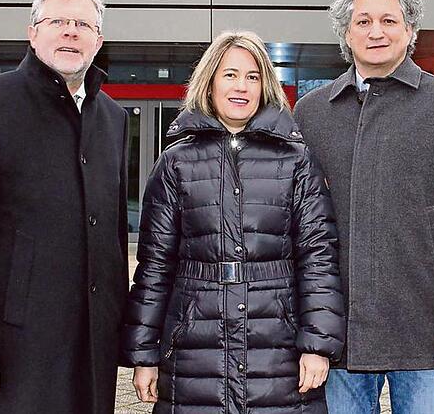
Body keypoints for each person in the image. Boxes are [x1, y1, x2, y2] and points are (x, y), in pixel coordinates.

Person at [293, 0, 434, 413]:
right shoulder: (312, 112)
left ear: (410, 31)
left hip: (428, 334)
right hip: (339, 336)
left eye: (389, 21)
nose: (376, 32)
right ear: (346, 34)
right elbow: (296, 222)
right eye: (363, 21)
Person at [0, 0, 128, 413]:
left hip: (91, 347)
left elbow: (112, 235)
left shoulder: (112, 117)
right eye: (57, 20)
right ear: (32, 31)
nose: (70, 31)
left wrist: (124, 332)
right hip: (11, 348)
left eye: (83, 24)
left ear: (99, 40)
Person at [121, 31, 345, 413]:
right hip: (194, 347)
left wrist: (317, 346)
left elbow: (318, 258)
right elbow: (155, 265)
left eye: (252, 76)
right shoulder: (175, 161)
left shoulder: (296, 161)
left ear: (265, 86)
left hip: (278, 347)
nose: (241, 86)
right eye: (229, 75)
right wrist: (144, 355)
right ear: (209, 82)